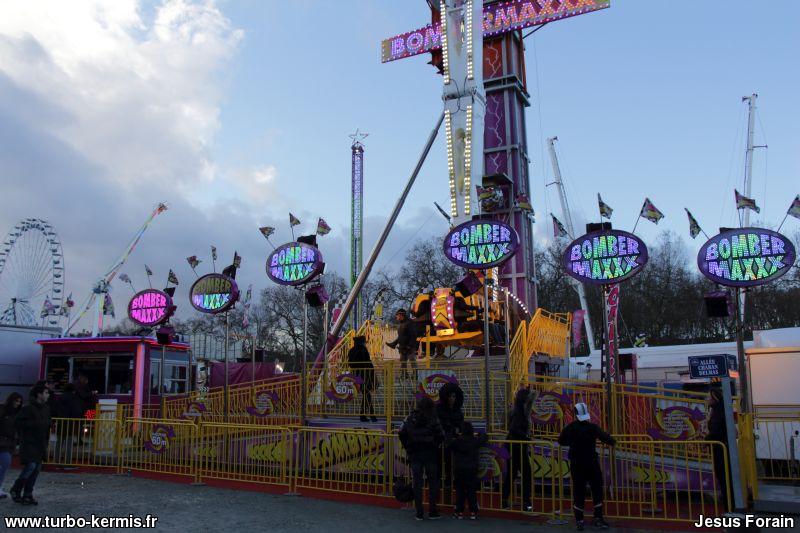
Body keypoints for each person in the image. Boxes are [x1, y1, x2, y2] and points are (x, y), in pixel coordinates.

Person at [558, 402, 616, 531]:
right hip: (591, 462)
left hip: (576, 463)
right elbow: (607, 439)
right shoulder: (593, 428)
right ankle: (598, 518)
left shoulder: (570, 428)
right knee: (597, 489)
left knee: (579, 491)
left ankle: (579, 520)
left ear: (575, 414)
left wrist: (571, 443)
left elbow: (561, 441)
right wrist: (612, 440)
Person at [399, 396, 444, 521]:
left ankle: (419, 512)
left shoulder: (409, 418)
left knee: (417, 483)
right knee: (432, 483)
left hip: (415, 454)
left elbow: (401, 433)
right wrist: (435, 444)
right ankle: (432, 511)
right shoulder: (433, 418)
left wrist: (408, 447)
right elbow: (441, 435)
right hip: (430, 454)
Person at [10, 384, 52, 505]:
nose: (47, 395)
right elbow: (18, 422)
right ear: (39, 394)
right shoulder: (28, 408)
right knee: (31, 467)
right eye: (46, 393)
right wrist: (36, 424)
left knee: (35, 469)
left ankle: (27, 493)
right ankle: (17, 489)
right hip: (29, 442)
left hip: (40, 442)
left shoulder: (45, 408)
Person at [447, 421, 488, 520]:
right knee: (471, 490)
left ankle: (459, 512)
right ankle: (473, 512)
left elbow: (449, 444)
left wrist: (454, 435)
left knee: (460, 490)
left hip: (459, 469)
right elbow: (485, 438)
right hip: (471, 469)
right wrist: (480, 434)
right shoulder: (475, 441)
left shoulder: (457, 441)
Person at [502, 388, 534, 511]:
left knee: (512, 474)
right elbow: (514, 429)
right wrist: (526, 437)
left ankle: (505, 500)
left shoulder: (519, 410)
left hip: (515, 446)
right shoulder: (519, 412)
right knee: (524, 474)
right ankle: (526, 502)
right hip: (517, 447)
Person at [705, 386, 731, 512]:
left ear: (714, 399)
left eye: (709, 397)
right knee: (724, 479)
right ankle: (729, 507)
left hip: (720, 450)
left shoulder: (718, 412)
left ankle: (729, 509)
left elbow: (716, 431)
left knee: (724, 478)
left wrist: (706, 440)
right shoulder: (718, 410)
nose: (707, 399)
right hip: (721, 448)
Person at [436, 382, 464, 494]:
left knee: (450, 469)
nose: (452, 399)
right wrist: (453, 429)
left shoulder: (458, 411)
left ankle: (448, 491)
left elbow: (460, 426)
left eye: (454, 396)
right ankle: (437, 493)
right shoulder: (439, 409)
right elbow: (439, 425)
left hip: (453, 445)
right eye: (450, 396)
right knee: (438, 468)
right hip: (441, 445)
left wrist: (455, 430)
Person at [346, 335, 378, 423]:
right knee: (367, 394)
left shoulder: (352, 350)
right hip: (364, 375)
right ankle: (370, 415)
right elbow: (367, 362)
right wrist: (372, 374)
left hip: (356, 375)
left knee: (366, 394)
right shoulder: (363, 349)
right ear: (362, 342)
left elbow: (350, 364)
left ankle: (365, 415)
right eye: (364, 341)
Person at [54, 383, 84, 466]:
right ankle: (67, 461)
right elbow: (77, 411)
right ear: (73, 390)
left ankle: (56, 460)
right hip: (70, 423)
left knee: (59, 442)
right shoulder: (74, 398)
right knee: (69, 443)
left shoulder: (60, 397)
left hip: (60, 421)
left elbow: (56, 409)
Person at [0, 393, 23, 499]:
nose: (17, 403)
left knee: (5, 464)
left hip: (8, 442)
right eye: (16, 401)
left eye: (19, 402)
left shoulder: (15, 413)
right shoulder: (5, 411)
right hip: (5, 441)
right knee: (5, 463)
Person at [386, 309, 418, 378]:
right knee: (403, 361)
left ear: (401, 315)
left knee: (412, 360)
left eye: (397, 316)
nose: (396, 317)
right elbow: (401, 336)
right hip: (402, 346)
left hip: (409, 347)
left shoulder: (409, 323)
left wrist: (410, 345)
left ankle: (415, 375)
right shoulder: (401, 324)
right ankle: (404, 374)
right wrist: (394, 343)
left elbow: (413, 335)